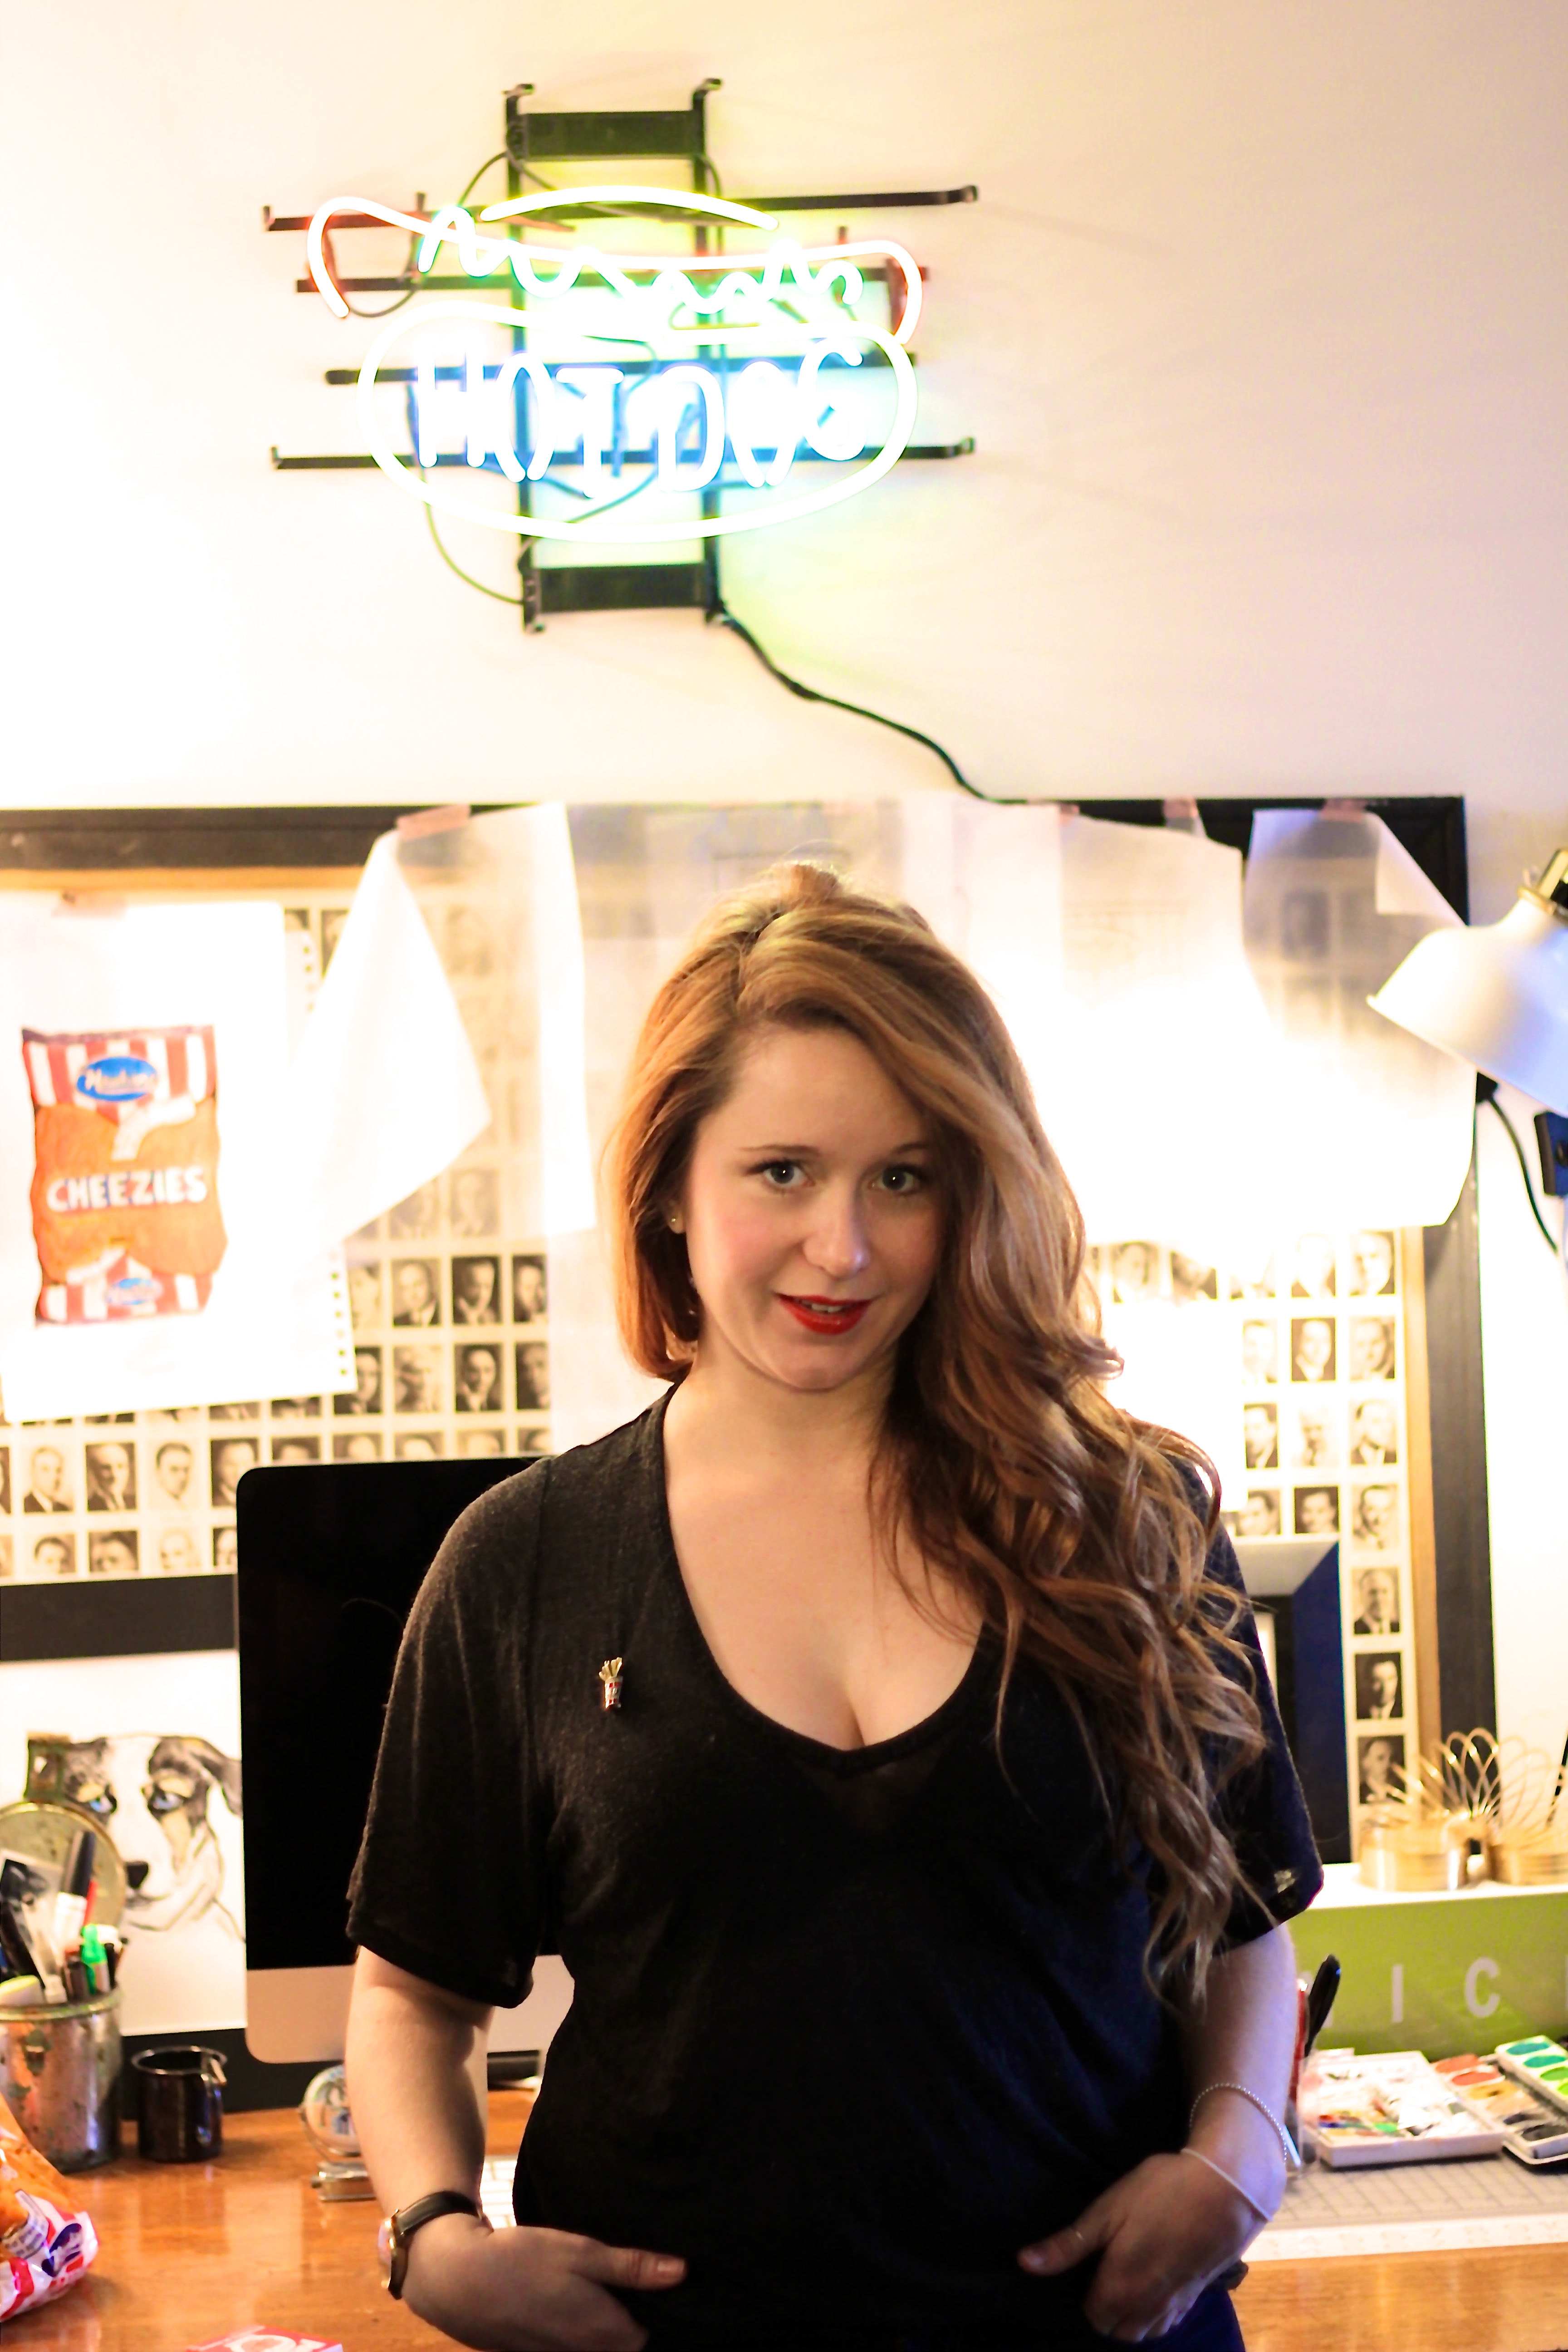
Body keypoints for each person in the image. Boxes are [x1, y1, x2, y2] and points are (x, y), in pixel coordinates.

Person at [346, 867, 1319, 2352]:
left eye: (903, 1178)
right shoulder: (521, 1563)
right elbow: (415, 1995)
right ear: (669, 1188)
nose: (844, 1247)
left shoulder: (1129, 1521)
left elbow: (1239, 1919)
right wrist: (433, 2236)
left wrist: (1242, 2149)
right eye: (782, 1171)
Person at [85, 1441, 136, 1512]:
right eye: (106, 1468)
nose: (115, 1475)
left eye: (121, 1467)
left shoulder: (135, 1502)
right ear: (95, 1472)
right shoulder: (89, 1506)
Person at [22, 1444, 72, 1513]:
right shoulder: (23, 1507)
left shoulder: (64, 1509)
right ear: (32, 1473)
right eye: (45, 1470)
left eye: (58, 1470)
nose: (54, 1478)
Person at [1352, 1567, 1400, 1637]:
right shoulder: (1352, 1630)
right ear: (1361, 1596)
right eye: (1373, 1592)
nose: (1380, 1598)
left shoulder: (1400, 1628)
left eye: (1385, 1592)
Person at [1290, 1318, 1335, 1383]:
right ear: (1298, 1342)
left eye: (1324, 1341)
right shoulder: (1292, 1376)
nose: (1319, 1348)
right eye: (1311, 1340)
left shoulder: (1330, 1377)